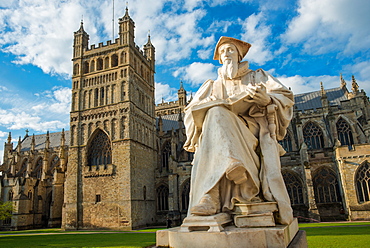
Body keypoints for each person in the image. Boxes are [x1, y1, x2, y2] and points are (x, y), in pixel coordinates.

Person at [183, 37, 294, 225]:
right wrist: (207, 106)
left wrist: (267, 100)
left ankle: (211, 195)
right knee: (215, 113)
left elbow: (285, 97)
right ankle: (227, 172)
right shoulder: (211, 86)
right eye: (223, 51)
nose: (227, 53)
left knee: (217, 114)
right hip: (215, 134)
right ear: (219, 58)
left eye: (231, 50)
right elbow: (189, 114)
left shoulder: (257, 77)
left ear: (239, 55)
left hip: (251, 133)